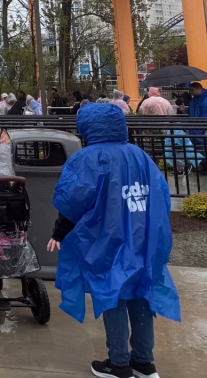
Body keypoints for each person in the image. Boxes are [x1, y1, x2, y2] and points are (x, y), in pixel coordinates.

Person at [46, 103, 179, 378]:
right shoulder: (140, 155)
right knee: (141, 293)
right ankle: (144, 362)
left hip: (108, 240)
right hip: (144, 239)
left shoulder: (88, 158)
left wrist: (59, 232)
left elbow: (73, 199)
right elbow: (161, 196)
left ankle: (119, 364)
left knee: (113, 294)